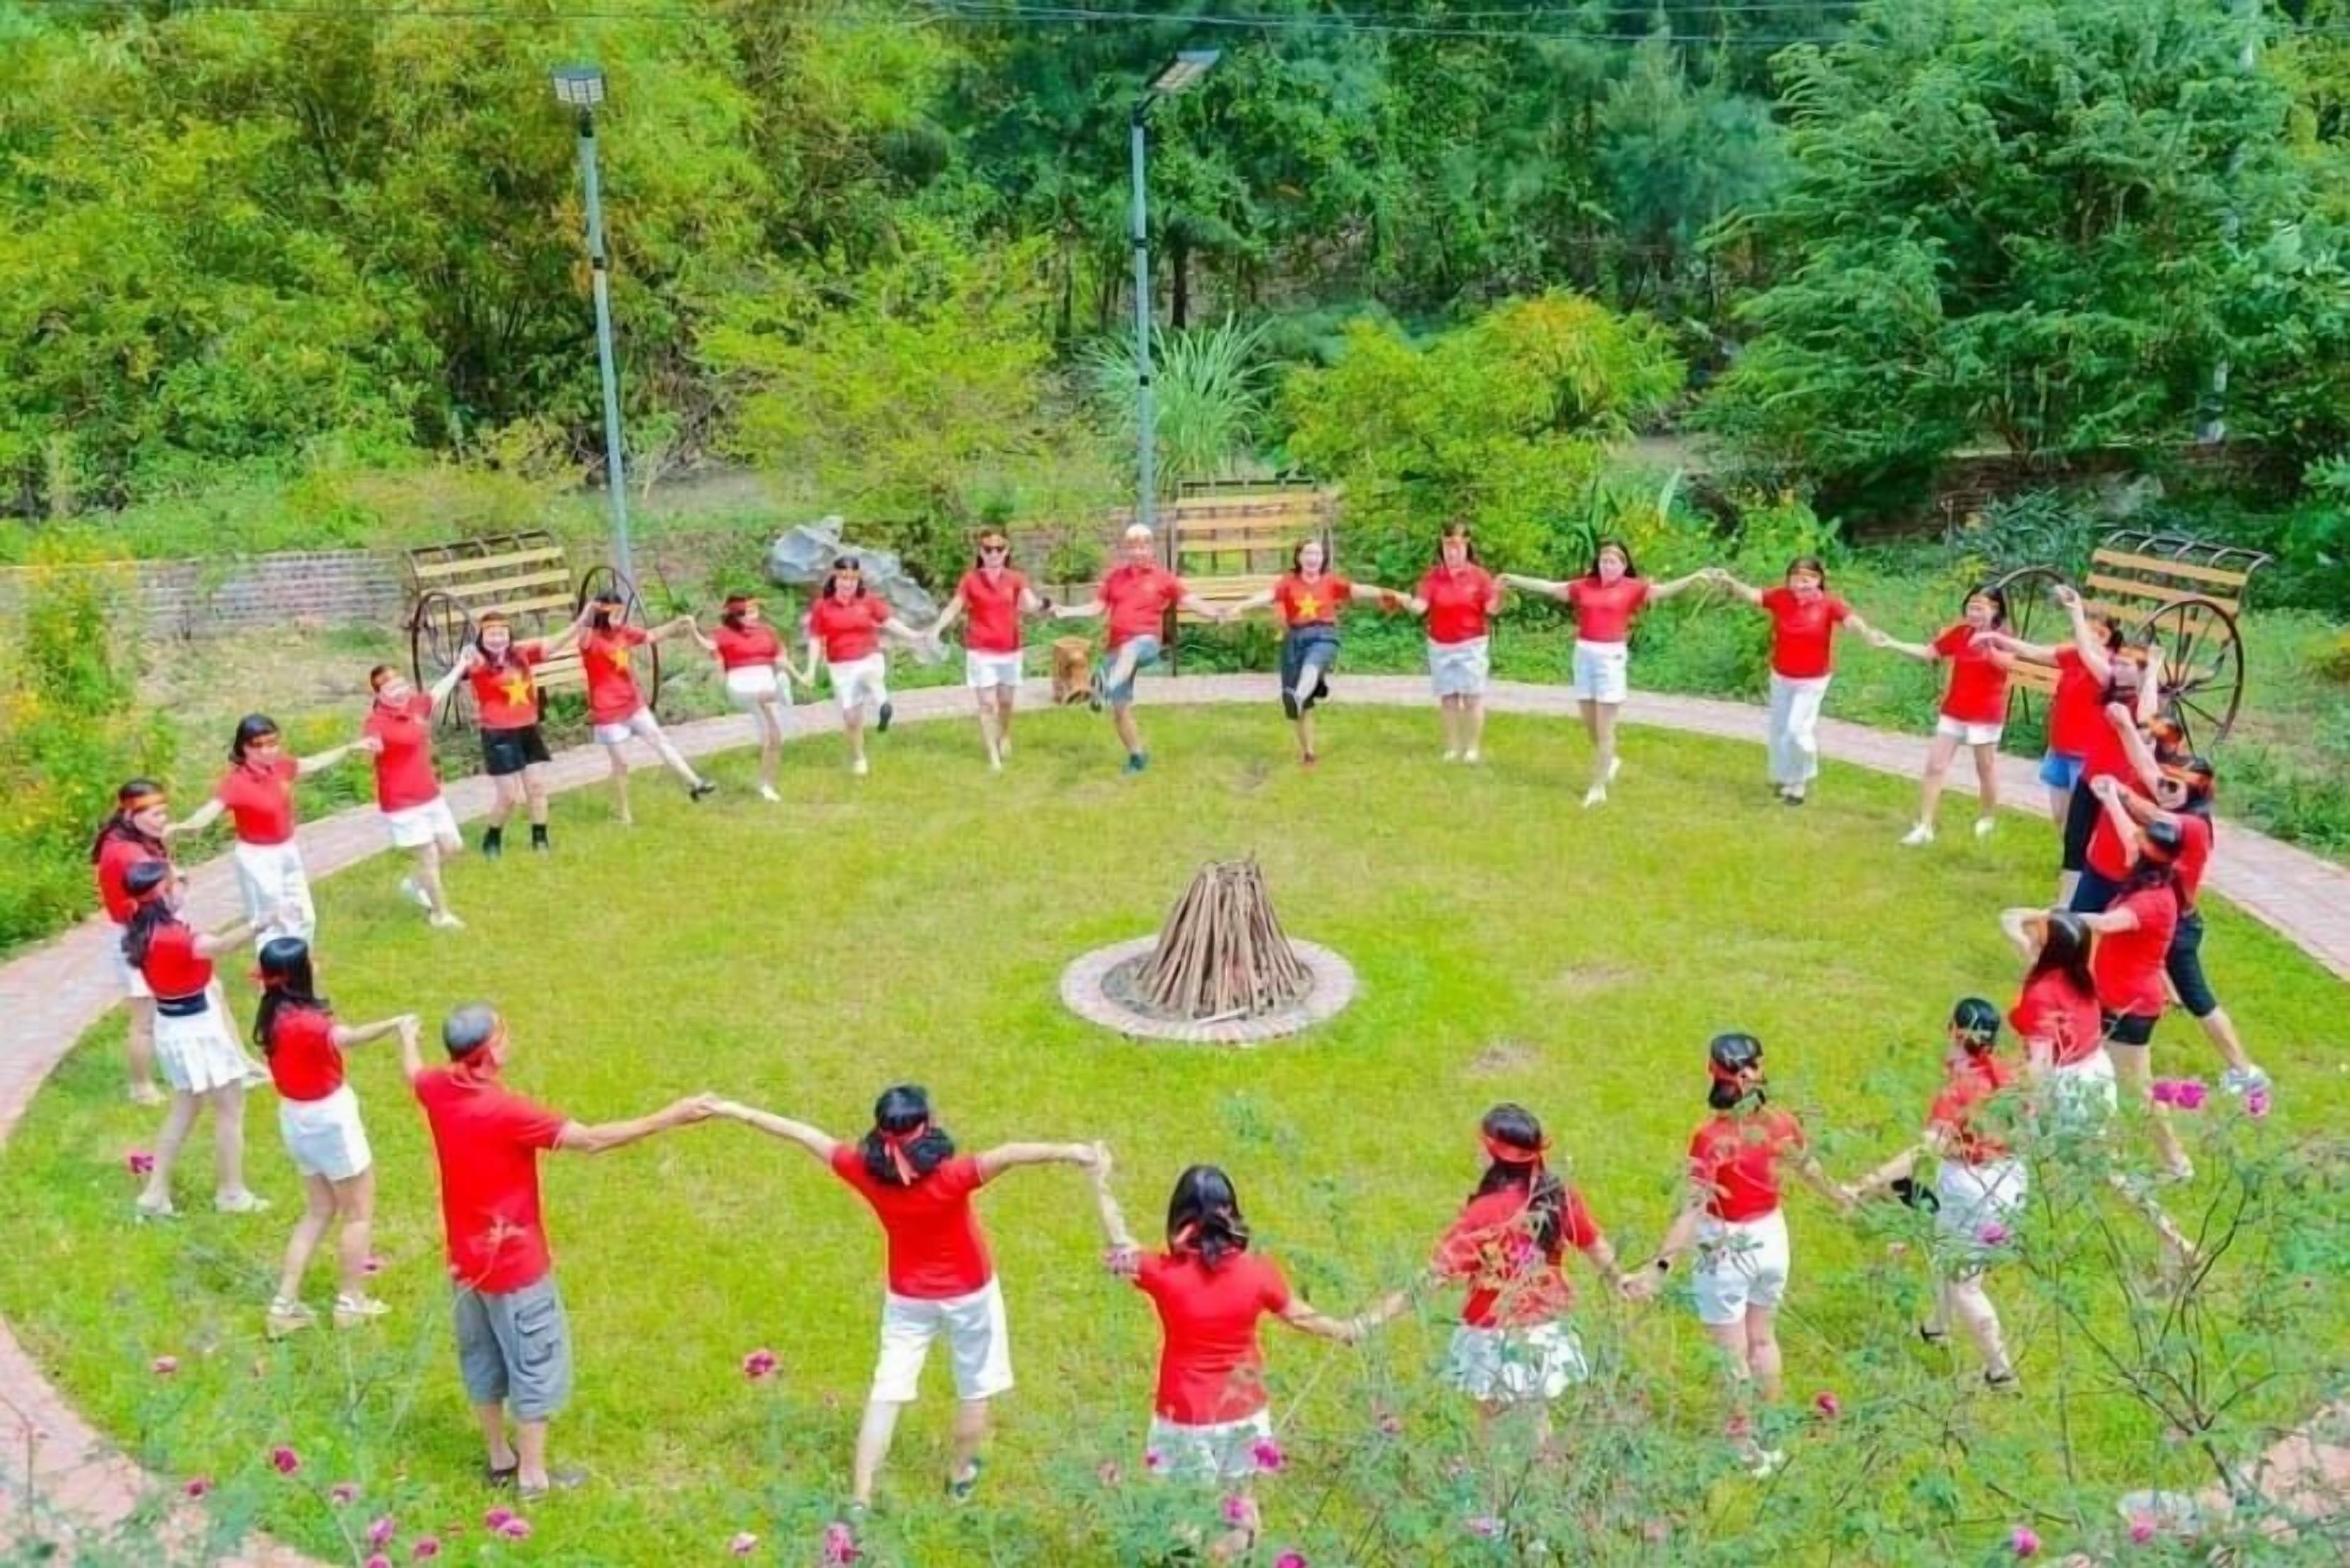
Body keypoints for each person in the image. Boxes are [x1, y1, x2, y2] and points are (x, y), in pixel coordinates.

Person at [709, 1085, 1098, 1511]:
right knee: (976, 1387)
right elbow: (1008, 1154)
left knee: (887, 1390)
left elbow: (805, 1135)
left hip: (907, 1297)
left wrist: (738, 1110)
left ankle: (860, 1498)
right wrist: (1074, 1151)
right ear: (926, 1127)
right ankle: (960, 1479)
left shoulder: (862, 1170)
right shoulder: (953, 1177)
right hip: (971, 1293)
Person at [400, 1002, 714, 1499]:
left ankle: (500, 1458)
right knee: (534, 1362)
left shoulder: (437, 1089)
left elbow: (413, 1074)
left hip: (464, 1264)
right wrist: (670, 1116)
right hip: (515, 1266)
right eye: (505, 1031)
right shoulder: (508, 1112)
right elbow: (590, 1139)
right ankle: (533, 1478)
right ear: (490, 1053)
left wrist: (407, 1037)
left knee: (481, 1357)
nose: (511, 1036)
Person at [1086, 1155, 1359, 1560]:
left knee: (1185, 1511)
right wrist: (1348, 1331)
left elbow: (1119, 1241)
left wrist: (1100, 1180)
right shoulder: (1258, 1273)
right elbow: (1302, 1316)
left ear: (1180, 1216)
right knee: (1240, 1504)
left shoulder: (1162, 1273)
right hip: (1245, 1412)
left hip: (1185, 1415)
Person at [1623, 1032, 1853, 1477]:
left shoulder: (1711, 1139)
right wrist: (1840, 1197)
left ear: (1714, 1075)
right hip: (1772, 1237)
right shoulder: (1781, 1122)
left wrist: (1659, 1268)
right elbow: (1809, 1169)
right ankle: (1771, 1430)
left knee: (1732, 1351)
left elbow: (1693, 1208)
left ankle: (1745, 1445)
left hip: (1726, 1246)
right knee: (1764, 1338)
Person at [1354, 1105, 1629, 1468]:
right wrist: (1621, 1279)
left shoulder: (1482, 1214)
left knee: (1494, 1421)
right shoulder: (1558, 1196)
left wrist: (1374, 1318)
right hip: (1544, 1328)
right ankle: (1542, 1492)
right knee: (1536, 1418)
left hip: (1495, 1333)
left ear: (1493, 1153)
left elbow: (1434, 1277)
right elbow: (1595, 1244)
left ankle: (1498, 1496)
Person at [1846, 999, 2025, 1390]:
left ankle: (2000, 1372)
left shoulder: (1958, 1091)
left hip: (1971, 1189)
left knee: (1966, 1286)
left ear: (1955, 1032)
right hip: (2010, 1180)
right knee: (1951, 1259)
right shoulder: (2008, 1075)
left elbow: (1925, 1151)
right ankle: (1937, 1328)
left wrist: (1864, 1185)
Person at [2085, 723, 2269, 1096]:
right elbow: (2146, 768)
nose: (2162, 787)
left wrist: (2117, 793)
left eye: (2172, 786)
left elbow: (2148, 815)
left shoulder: (2191, 826)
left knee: (2200, 999)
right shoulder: (2179, 802)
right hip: (2159, 918)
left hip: (2174, 926)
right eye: (2165, 783)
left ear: (2194, 792)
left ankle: (2245, 1072)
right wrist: (2123, 726)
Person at [251, 937, 417, 1338]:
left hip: (294, 1117)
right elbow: (352, 1037)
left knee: (318, 1210)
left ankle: (284, 1305)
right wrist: (400, 1027)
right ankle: (350, 1302)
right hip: (330, 1119)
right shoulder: (310, 1024)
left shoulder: (271, 1015)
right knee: (358, 1213)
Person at [118, 861, 274, 1219]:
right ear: (164, 894)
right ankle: (232, 1193)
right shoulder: (178, 938)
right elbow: (219, 946)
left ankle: (155, 1192)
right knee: (230, 1109)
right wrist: (260, 923)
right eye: (178, 883)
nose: (184, 887)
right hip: (199, 1029)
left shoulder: (143, 932)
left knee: (185, 1108)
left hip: (172, 1026)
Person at [1503, 540, 1713, 807]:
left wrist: (1694, 577)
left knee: (1605, 727)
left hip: (1610, 658)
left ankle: (1598, 787)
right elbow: (1549, 587)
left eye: (1614, 562)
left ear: (1624, 566)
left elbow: (1663, 591)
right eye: (1604, 561)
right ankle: (1610, 760)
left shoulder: (1633, 588)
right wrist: (1515, 579)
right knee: (1589, 720)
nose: (1608, 566)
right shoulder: (1584, 586)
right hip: (1584, 655)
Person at [1968, 584, 2136, 884]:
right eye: (2087, 630)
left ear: (2108, 637)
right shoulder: (2074, 653)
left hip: (2086, 756)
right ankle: (2075, 861)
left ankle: (2087, 870)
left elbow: (2087, 652)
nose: (2086, 635)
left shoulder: (2109, 665)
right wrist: (1997, 637)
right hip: (2060, 747)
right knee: (2061, 816)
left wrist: (2077, 614)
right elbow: (2036, 653)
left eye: (2096, 631)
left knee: (2081, 819)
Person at [164, 714, 368, 946]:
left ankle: (299, 964)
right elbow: (210, 811)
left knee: (304, 917)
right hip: (258, 857)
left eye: (272, 743)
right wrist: (181, 826)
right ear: (244, 748)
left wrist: (350, 748)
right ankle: (271, 975)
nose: (267, 751)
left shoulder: (281, 766)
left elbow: (313, 763)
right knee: (271, 920)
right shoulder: (237, 782)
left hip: (287, 849)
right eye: (258, 746)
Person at [2076, 806, 2196, 1183]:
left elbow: (2110, 924)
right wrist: (2111, 796)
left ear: (2145, 858)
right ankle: (2106, 1148)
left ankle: (2176, 1162)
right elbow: (2130, 834)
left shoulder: (2150, 901)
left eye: (2138, 845)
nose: (2131, 845)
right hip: (2113, 996)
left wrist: (2062, 917)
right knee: (2097, 1072)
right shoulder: (2153, 882)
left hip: (2130, 1006)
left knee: (2140, 1090)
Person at [1046, 526, 1226, 774]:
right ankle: (1137, 756)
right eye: (1133, 547)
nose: (1139, 552)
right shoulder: (1115, 577)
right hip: (1116, 649)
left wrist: (1215, 614)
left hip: (1146, 643)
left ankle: (1104, 688)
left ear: (1152, 549)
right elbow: (1098, 606)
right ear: (1127, 549)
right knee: (1121, 710)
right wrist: (1068, 611)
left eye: (1143, 547)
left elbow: (1189, 600)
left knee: (1131, 649)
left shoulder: (1164, 578)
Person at [1704, 558, 1883, 805]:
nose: (1803, 582)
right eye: (1797, 577)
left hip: (1813, 681)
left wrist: (1867, 633)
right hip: (1782, 676)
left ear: (1819, 581)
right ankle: (1784, 779)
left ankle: (1801, 781)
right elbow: (1754, 596)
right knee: (1780, 731)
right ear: (1789, 580)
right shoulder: (1781, 598)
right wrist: (1729, 582)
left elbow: (1851, 620)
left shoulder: (1829, 604)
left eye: (1809, 577)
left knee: (1797, 732)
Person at [1223, 538, 1408, 766]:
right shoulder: (1288, 582)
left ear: (1323, 559)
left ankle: (1299, 696)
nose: (1313, 559)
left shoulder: (1330, 582)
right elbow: (1267, 596)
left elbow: (1359, 590)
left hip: (1324, 635)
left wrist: (1388, 593)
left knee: (1313, 663)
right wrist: (1240, 606)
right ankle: (1308, 752)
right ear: (1299, 558)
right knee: (1302, 706)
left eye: (1317, 554)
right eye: (1308, 554)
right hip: (1295, 640)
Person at [1869, 586, 2016, 847]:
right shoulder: (1961, 633)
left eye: (1981, 607)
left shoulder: (2004, 637)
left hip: (1985, 716)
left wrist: (1989, 645)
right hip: (1954, 711)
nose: (1974, 612)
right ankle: (1925, 826)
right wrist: (1891, 642)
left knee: (1985, 769)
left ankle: (1987, 818)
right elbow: (1930, 652)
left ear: (1995, 611)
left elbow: (2008, 665)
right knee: (1935, 766)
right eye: (1971, 606)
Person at [578, 590, 717, 823]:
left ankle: (695, 783)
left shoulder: (624, 633)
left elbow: (651, 636)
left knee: (660, 741)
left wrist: (677, 623)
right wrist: (590, 610)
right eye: (614, 611)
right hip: (608, 710)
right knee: (621, 764)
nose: (619, 616)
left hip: (633, 702)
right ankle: (625, 814)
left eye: (621, 611)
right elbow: (581, 631)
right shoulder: (589, 638)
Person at [928, 532, 1051, 771]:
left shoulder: (1016, 579)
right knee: (987, 704)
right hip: (981, 650)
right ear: (981, 553)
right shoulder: (970, 580)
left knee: (1006, 702)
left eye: (999, 549)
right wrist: (936, 629)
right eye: (988, 549)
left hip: (1010, 649)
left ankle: (1004, 735)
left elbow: (1029, 604)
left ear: (1006, 552)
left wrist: (1043, 606)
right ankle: (993, 757)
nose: (993, 553)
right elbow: (954, 607)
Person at [464, 611, 579, 858]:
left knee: (536, 787)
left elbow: (554, 643)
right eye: (491, 634)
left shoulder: (520, 655)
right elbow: (468, 661)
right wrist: (469, 653)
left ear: (509, 635)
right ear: (482, 637)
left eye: (502, 633)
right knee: (509, 795)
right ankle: (492, 837)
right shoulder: (479, 662)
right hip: (498, 733)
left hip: (527, 728)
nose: (497, 639)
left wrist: (583, 620)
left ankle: (540, 838)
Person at [364, 664, 470, 929]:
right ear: (379, 695)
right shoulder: (376, 723)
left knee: (453, 847)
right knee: (429, 856)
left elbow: (438, 692)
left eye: (402, 685)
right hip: (402, 802)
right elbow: (369, 746)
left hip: (429, 794)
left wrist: (461, 666)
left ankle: (414, 884)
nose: (400, 692)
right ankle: (440, 915)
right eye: (391, 689)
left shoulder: (415, 706)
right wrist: (371, 748)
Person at [803, 557, 930, 777]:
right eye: (844, 578)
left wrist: (914, 635)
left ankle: (883, 703)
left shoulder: (868, 601)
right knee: (852, 718)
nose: (848, 583)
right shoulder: (822, 607)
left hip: (868, 657)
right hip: (840, 665)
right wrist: (811, 669)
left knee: (869, 675)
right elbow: (815, 638)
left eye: (853, 578)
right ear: (835, 578)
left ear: (858, 580)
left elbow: (889, 622)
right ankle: (859, 757)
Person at [91, 778, 173, 1104]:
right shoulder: (129, 855)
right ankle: (140, 1086)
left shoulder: (129, 840)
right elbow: (167, 895)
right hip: (137, 938)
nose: (163, 821)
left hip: (150, 932)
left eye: (164, 813)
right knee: (145, 1019)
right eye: (156, 815)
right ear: (130, 815)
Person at [1996, 908, 2116, 1125]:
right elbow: (2010, 918)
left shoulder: (2042, 995)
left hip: (2066, 1088)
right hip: (2097, 1073)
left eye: (2036, 940)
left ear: (2048, 950)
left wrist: (2027, 1111)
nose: (2029, 941)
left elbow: (2040, 1064)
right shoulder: (2081, 974)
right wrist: (2051, 915)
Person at [1400, 521, 1505, 764]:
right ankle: (1452, 747)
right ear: (1442, 547)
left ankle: (1472, 749)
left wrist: (1500, 594)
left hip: (1472, 644)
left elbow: (1492, 609)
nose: (1452, 551)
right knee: (1448, 697)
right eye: (1448, 545)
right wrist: (1405, 601)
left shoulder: (1480, 576)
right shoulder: (1433, 577)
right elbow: (1420, 607)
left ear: (1467, 547)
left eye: (1457, 546)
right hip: (1440, 644)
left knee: (1472, 697)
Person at [689, 593, 809, 802]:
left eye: (754, 611)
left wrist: (801, 677)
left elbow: (782, 659)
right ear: (735, 616)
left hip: (764, 680)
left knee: (774, 738)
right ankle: (780, 695)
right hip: (740, 682)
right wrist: (691, 629)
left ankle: (766, 786)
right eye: (746, 613)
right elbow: (707, 647)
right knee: (770, 695)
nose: (751, 617)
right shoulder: (723, 633)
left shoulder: (768, 632)